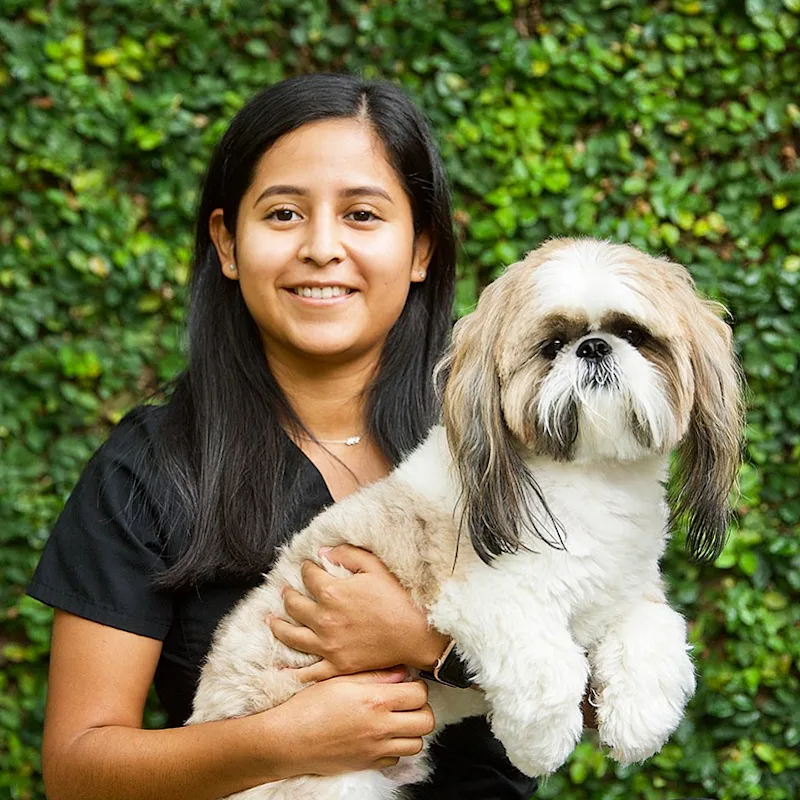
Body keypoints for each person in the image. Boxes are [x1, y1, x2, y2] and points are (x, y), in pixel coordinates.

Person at [28, 73, 539, 800]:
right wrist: (281, 742)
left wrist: (429, 644)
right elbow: (77, 770)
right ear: (228, 243)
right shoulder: (150, 470)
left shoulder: (499, 441)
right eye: (284, 214)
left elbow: (604, 696)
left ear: (420, 248)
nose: (322, 247)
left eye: (362, 214)